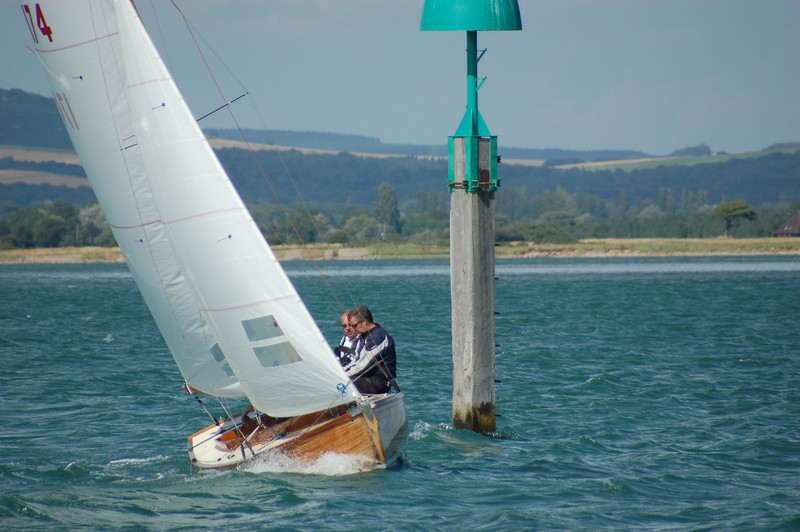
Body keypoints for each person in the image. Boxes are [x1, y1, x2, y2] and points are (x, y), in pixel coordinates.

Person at [341, 305, 397, 394]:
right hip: (365, 378)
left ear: (365, 322)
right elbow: (356, 361)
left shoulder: (378, 338)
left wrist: (339, 375)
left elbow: (362, 366)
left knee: (341, 381)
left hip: (378, 383)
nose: (353, 329)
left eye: (355, 325)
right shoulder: (365, 335)